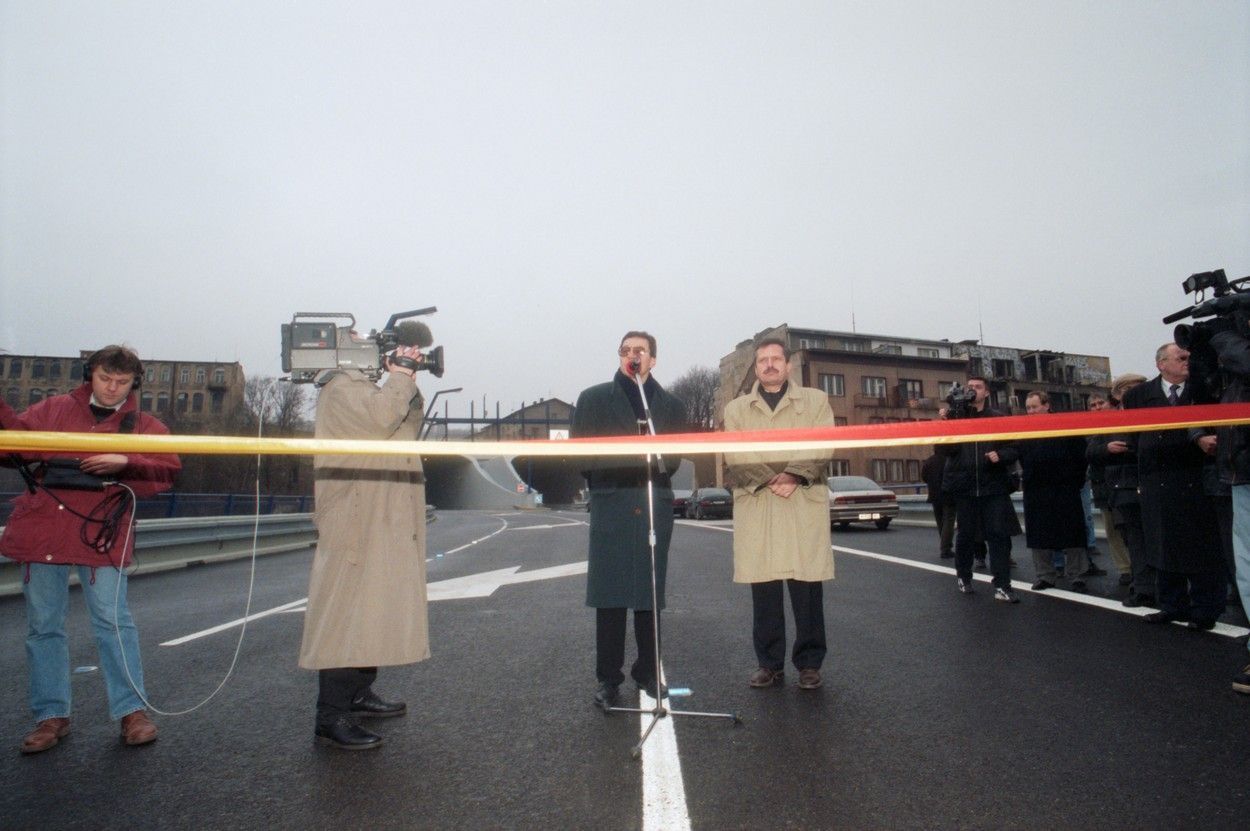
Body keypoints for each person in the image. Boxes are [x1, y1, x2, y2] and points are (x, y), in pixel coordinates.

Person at [0, 345, 180, 753]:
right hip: (44, 528)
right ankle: (50, 716)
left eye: (122, 382)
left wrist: (126, 462)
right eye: (105, 379)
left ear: (134, 382)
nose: (113, 388)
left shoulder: (146, 426)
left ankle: (132, 711)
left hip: (101, 531)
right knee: (42, 626)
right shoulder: (52, 410)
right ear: (89, 374)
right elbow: (15, 449)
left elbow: (167, 472)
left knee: (113, 622)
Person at [298, 342, 429, 749]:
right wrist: (401, 376)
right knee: (346, 612)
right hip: (356, 517)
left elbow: (403, 426)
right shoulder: (341, 386)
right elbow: (378, 419)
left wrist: (405, 381)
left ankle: (357, 692)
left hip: (375, 511)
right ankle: (330, 714)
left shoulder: (364, 387)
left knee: (371, 606)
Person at [571, 331, 685, 708]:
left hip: (654, 501)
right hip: (612, 502)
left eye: (640, 350)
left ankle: (648, 673)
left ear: (653, 359)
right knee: (610, 595)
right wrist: (617, 468)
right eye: (625, 350)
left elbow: (676, 458)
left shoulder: (670, 405)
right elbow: (581, 457)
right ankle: (608, 678)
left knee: (649, 593)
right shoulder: (592, 399)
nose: (632, 355)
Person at [723, 338, 834, 690]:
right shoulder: (736, 409)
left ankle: (809, 664)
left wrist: (796, 474)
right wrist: (770, 478)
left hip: (801, 500)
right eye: (762, 360)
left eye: (776, 359)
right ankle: (768, 664)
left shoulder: (816, 401)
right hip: (759, 504)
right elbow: (735, 454)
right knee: (764, 589)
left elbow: (823, 443)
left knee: (807, 590)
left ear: (788, 365)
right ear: (755, 368)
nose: (769, 365)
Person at [1121, 343, 1225, 629]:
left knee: (1201, 546)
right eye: (1181, 357)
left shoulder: (1203, 389)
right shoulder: (1138, 396)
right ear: (1161, 364)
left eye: (1189, 357)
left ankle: (1206, 609)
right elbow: (1133, 436)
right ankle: (1172, 605)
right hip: (1156, 479)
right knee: (1161, 543)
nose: (1186, 361)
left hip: (1196, 477)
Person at [938, 376, 1023, 603]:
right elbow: (943, 450)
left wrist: (1001, 456)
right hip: (964, 485)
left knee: (999, 535)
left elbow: (1015, 448)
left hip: (993, 484)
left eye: (978, 387)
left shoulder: (998, 418)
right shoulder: (956, 417)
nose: (972, 390)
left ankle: (1003, 586)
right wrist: (948, 423)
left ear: (986, 393)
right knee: (965, 536)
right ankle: (964, 577)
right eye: (970, 387)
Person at [1208, 323, 1250, 691]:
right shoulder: (1230, 376)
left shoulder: (1236, 349)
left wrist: (1223, 334)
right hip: (1239, 472)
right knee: (1248, 570)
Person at [1018, 392, 1091, 591]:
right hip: (1036, 489)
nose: (1031, 411)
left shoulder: (1065, 425)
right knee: (1039, 534)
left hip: (1064, 486)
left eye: (1034, 406)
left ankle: (1077, 574)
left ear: (1047, 405)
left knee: (1072, 532)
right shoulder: (1023, 430)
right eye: (1028, 408)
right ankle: (1045, 576)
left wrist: (1075, 480)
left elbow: (1080, 454)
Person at [1086, 393, 1132, 586]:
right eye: (1092, 405)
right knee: (1112, 529)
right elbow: (1088, 453)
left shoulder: (1124, 421)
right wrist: (1106, 448)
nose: (1097, 407)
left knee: (1131, 528)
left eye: (1100, 403)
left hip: (1126, 482)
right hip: (1103, 485)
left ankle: (1141, 566)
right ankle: (1124, 569)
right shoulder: (1090, 428)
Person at [922, 451, 955, 559]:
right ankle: (945, 548)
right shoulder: (949, 459)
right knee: (948, 521)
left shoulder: (929, 461)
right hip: (948, 494)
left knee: (940, 521)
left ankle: (945, 546)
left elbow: (924, 477)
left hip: (934, 495)